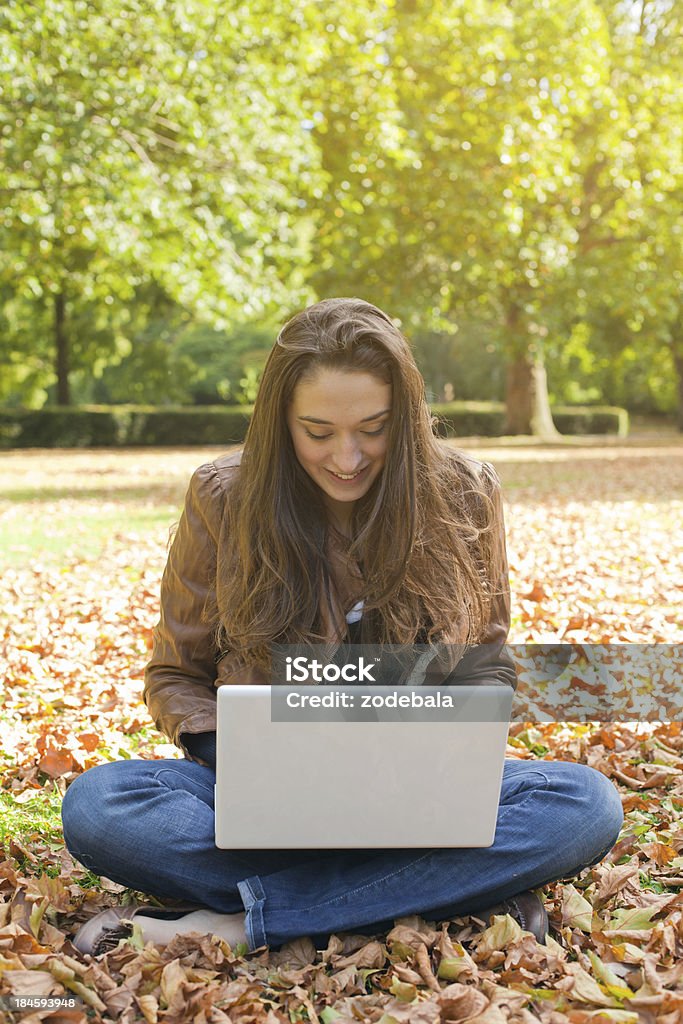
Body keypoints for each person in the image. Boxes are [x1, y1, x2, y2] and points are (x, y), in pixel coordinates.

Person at [61, 297, 624, 957]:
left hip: (419, 802)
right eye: (318, 431)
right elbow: (176, 674)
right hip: (263, 801)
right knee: (100, 806)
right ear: (280, 422)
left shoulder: (465, 492)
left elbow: (488, 663)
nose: (347, 457)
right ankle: (446, 892)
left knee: (586, 803)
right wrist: (245, 758)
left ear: (407, 419)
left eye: (373, 427)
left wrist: (448, 742)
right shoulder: (222, 496)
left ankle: (243, 922)